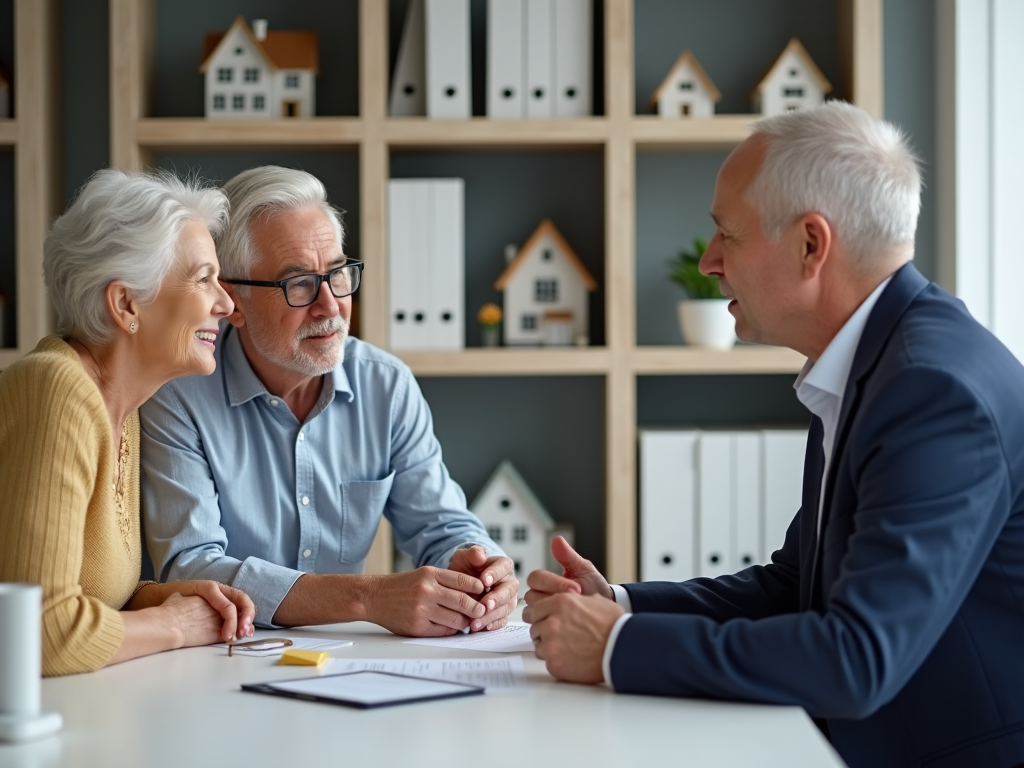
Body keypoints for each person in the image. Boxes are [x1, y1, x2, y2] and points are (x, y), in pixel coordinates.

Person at [524, 103, 1024, 768]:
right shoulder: (877, 360)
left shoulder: (930, 389)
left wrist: (616, 647)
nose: (707, 262)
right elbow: (796, 585)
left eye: (726, 235)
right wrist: (617, 604)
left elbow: (857, 659)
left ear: (811, 245)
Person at [140, 166, 518, 636]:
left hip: (347, 668)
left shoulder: (386, 386)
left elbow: (441, 525)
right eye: (298, 284)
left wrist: (477, 565)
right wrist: (369, 598)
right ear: (233, 301)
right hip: (222, 660)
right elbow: (192, 568)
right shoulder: (176, 394)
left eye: (337, 274)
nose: (331, 305)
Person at [0, 169, 256, 677]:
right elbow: (37, 632)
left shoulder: (123, 404)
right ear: (125, 304)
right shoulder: (58, 389)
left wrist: (162, 598)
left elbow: (84, 590)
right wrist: (175, 624)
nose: (227, 304)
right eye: (204, 278)